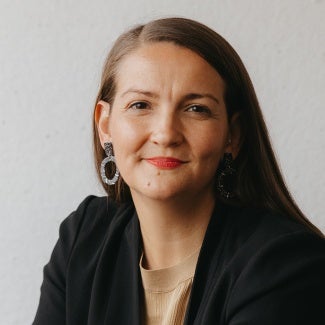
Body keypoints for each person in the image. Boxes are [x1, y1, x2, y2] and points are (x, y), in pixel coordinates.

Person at [33, 17, 325, 325]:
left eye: (196, 109)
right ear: (105, 124)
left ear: (233, 136)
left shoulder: (284, 263)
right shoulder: (84, 237)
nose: (166, 133)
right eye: (140, 105)